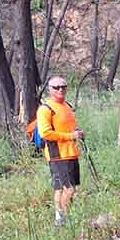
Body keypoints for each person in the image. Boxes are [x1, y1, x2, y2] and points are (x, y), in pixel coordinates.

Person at [37, 76, 84, 227]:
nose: (60, 89)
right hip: (57, 154)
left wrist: (77, 132)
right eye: (56, 87)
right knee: (69, 189)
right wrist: (71, 136)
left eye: (63, 86)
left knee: (61, 188)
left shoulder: (67, 106)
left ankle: (59, 219)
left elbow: (68, 127)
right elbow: (45, 133)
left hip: (71, 152)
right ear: (49, 89)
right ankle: (66, 220)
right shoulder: (45, 109)